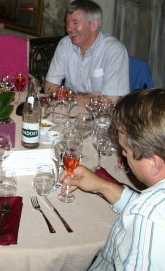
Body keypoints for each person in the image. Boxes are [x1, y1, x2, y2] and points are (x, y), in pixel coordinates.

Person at [63, 88, 165, 270]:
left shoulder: (149, 218)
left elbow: (148, 213)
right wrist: (103, 186)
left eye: (126, 150)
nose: (123, 154)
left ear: (154, 163)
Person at [45, 0, 129, 106]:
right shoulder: (65, 44)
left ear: (94, 25)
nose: (69, 29)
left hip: (100, 116)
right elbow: (49, 88)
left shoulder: (114, 50)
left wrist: (69, 96)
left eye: (75, 23)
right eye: (67, 23)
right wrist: (90, 97)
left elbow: (111, 102)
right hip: (69, 111)